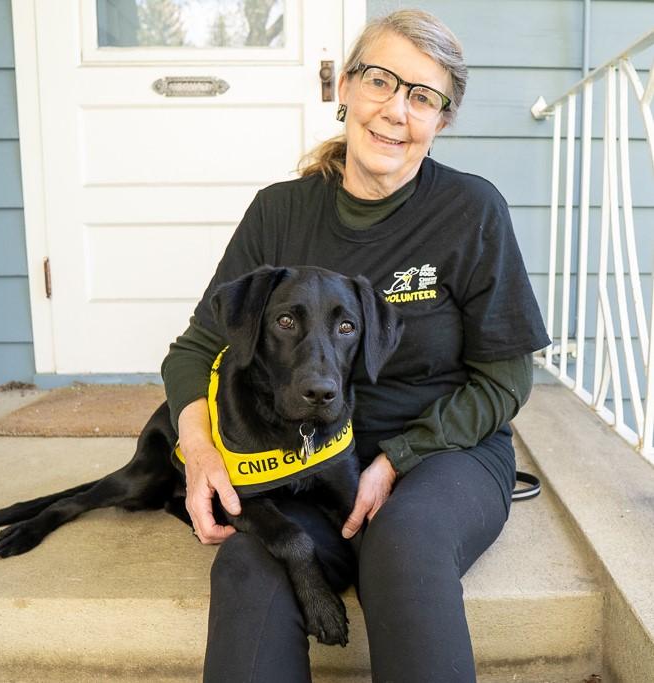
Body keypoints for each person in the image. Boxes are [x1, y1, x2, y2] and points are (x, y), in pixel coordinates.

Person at [161, 9, 550, 682]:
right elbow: (194, 349)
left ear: (441, 120)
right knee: (251, 563)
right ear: (344, 87)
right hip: (302, 459)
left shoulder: (470, 210)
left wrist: (396, 459)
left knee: (403, 541)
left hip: (442, 453)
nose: (395, 109)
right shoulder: (279, 212)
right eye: (379, 80)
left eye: (422, 96)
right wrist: (198, 452)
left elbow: (506, 378)